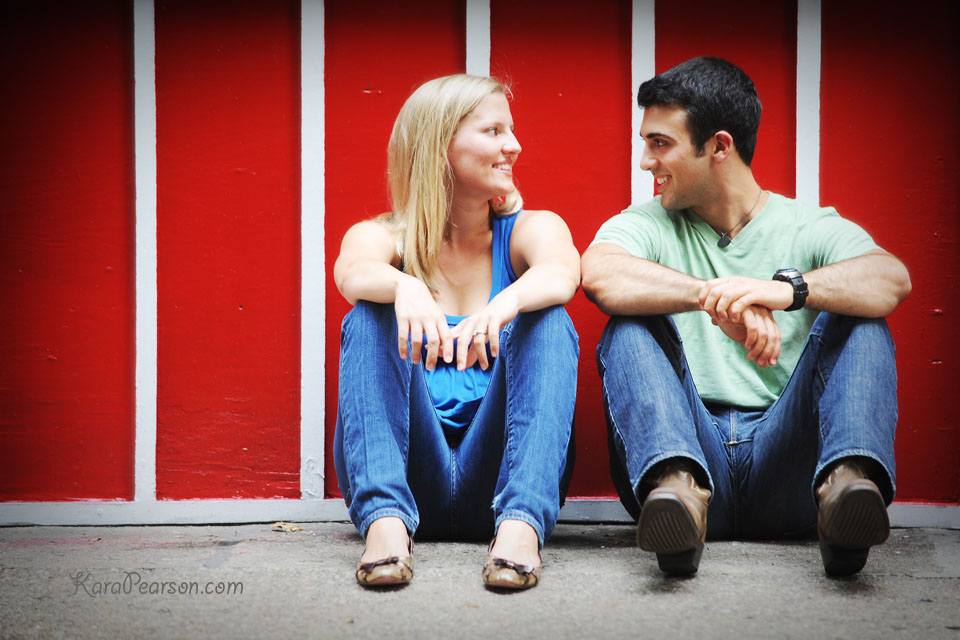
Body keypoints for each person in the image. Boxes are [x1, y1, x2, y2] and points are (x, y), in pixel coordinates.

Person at [581, 57, 911, 577]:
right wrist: (717, 297)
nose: (646, 161)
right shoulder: (649, 223)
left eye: (660, 143)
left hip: (792, 468)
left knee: (861, 318)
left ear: (719, 146)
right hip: (689, 450)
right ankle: (677, 493)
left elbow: (891, 278)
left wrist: (788, 290)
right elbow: (600, 275)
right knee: (628, 324)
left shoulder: (807, 225)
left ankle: (845, 489)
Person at [332, 74, 580, 590]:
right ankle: (383, 526)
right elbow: (351, 271)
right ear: (438, 145)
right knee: (367, 313)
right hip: (411, 478)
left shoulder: (530, 231)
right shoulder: (384, 236)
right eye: (493, 131)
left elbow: (562, 271)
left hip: (498, 480)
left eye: (510, 131)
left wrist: (507, 301)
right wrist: (405, 287)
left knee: (550, 317)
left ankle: (520, 531)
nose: (513, 145)